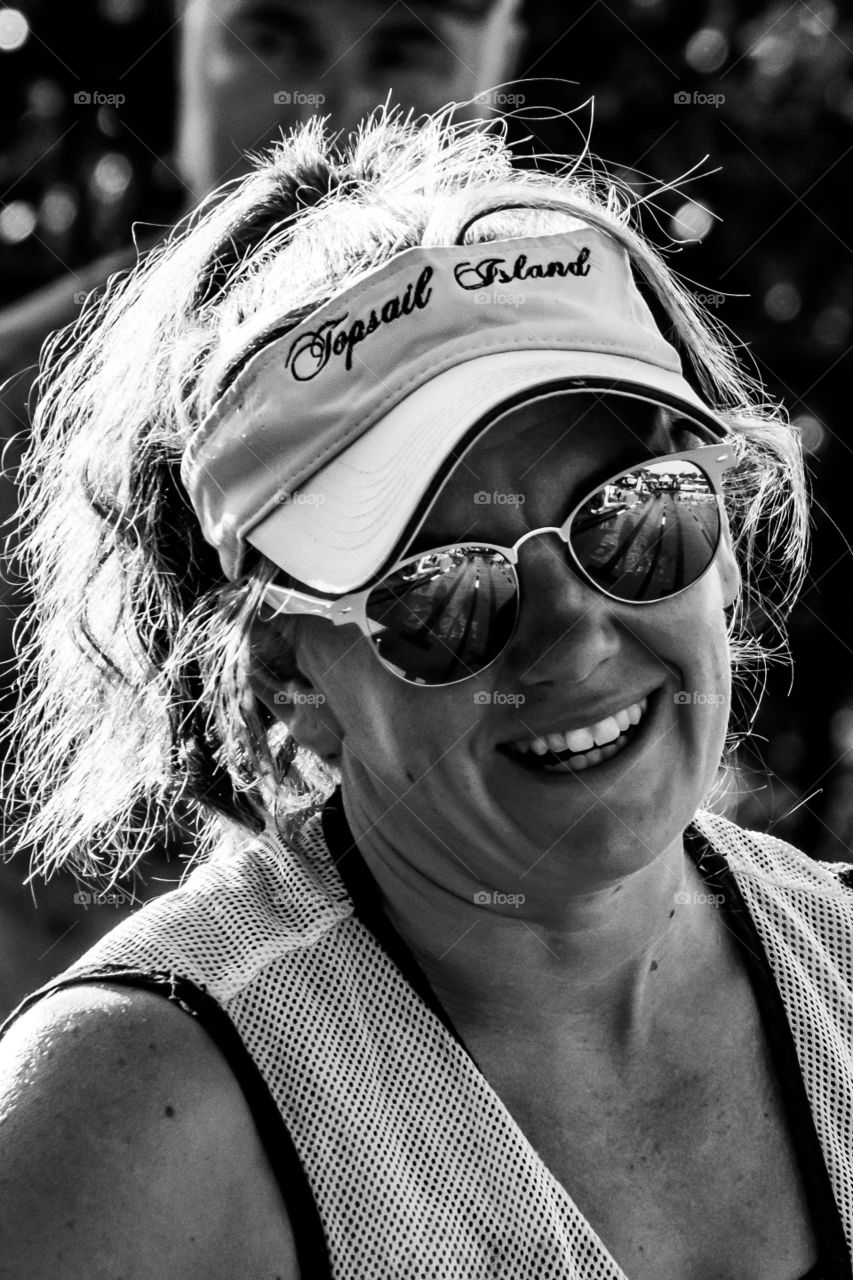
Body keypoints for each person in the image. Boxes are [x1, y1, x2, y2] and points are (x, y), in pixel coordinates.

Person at [0, 107, 850, 1280]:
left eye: (634, 517)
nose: (574, 639)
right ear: (289, 672)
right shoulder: (131, 1126)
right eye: (444, 589)